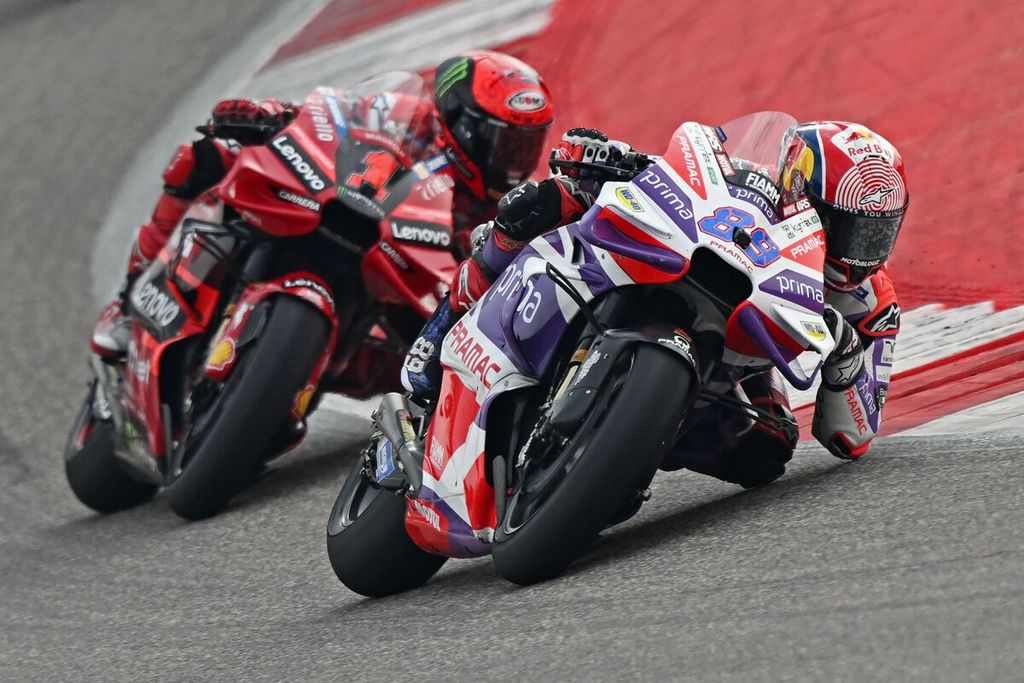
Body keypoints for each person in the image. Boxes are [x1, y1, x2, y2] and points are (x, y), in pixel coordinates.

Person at [402, 120, 909, 487]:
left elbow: (853, 435)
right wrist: (610, 156)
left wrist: (845, 358)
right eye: (851, 226)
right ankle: (441, 332)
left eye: (877, 234)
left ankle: (621, 457)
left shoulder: (871, 300)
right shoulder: (754, 182)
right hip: (672, 269)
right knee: (544, 201)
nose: (862, 248)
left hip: (740, 358)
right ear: (801, 186)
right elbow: (683, 172)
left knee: (768, 451)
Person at [92, 50, 555, 356]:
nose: (512, 158)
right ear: (458, 118)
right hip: (339, 214)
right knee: (205, 156)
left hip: (395, 317)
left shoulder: (511, 204)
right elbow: (328, 113)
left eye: (524, 144)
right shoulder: (403, 114)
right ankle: (126, 298)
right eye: (501, 140)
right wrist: (269, 114)